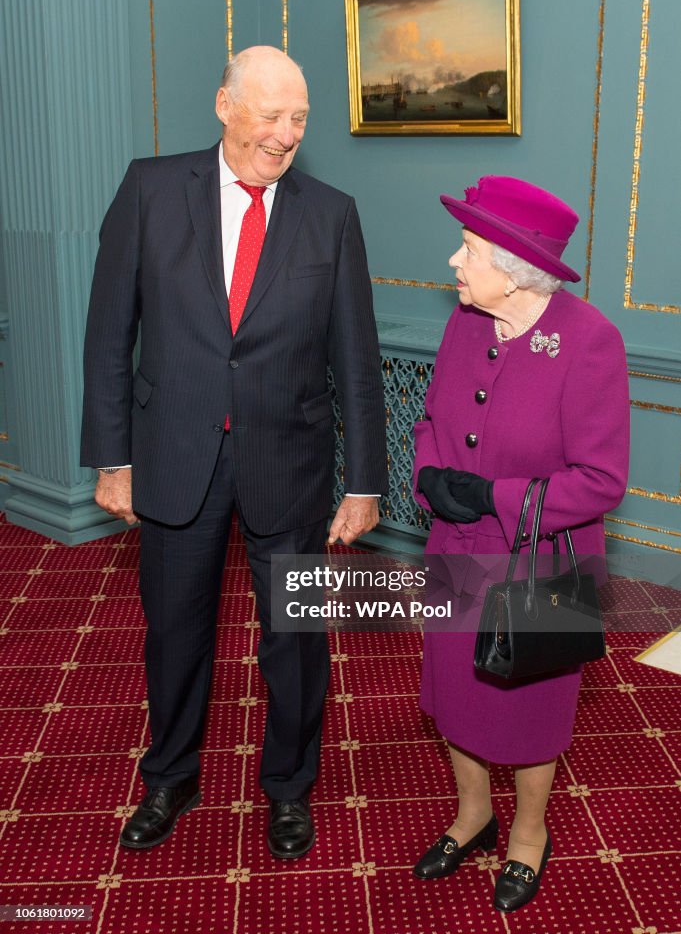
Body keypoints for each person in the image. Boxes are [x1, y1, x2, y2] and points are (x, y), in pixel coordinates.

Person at [81, 46, 387, 858]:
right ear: (223, 104)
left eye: (298, 120)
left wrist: (364, 482)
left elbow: (355, 357)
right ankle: (170, 776)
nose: (284, 135)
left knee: (296, 639)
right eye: (268, 114)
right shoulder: (150, 188)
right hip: (174, 454)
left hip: (290, 465)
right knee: (173, 631)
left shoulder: (331, 213)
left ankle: (289, 786)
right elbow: (109, 334)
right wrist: (112, 458)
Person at [412, 176, 629, 912]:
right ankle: (473, 816)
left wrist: (497, 499)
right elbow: (432, 424)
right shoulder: (465, 321)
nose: (453, 262)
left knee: (530, 706)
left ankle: (528, 833)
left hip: (543, 561)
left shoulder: (589, 340)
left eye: (467, 250)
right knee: (456, 697)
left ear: (510, 264)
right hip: (455, 547)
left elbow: (600, 481)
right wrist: (428, 479)